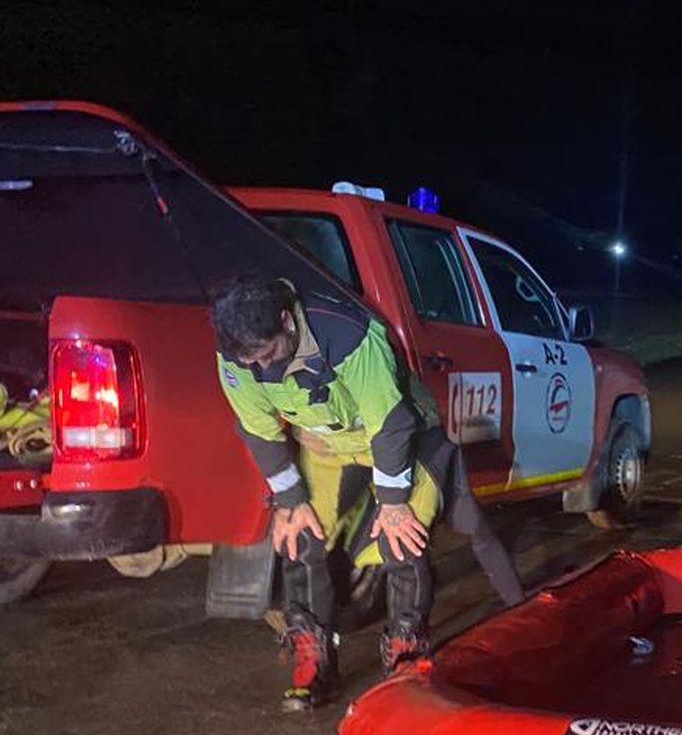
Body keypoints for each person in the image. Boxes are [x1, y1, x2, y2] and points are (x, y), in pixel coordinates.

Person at [212, 277, 523, 711]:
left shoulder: (347, 334)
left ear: (286, 322)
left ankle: (406, 655)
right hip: (326, 446)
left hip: (404, 438)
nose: (263, 370)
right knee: (299, 536)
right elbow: (259, 431)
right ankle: (314, 658)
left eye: (268, 356)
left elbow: (390, 425)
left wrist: (393, 504)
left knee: (401, 539)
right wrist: (290, 500)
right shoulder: (237, 357)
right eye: (251, 363)